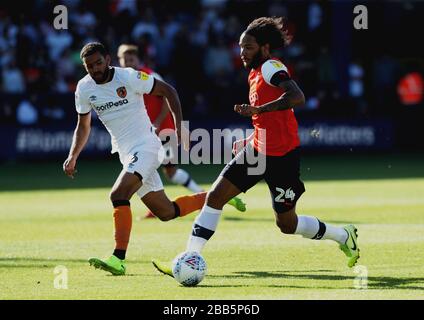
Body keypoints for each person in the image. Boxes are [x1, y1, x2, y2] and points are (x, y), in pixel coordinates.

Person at [153, 17, 360, 276]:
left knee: (287, 224)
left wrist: (259, 109)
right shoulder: (254, 73)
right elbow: (267, 121)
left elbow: (297, 96)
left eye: (248, 47)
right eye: (240, 47)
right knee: (216, 197)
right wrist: (252, 138)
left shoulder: (272, 67)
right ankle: (189, 257)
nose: (241, 53)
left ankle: (343, 235)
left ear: (264, 48)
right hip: (257, 152)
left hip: (283, 158)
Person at [63, 42, 245, 276]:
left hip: (147, 146)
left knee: (118, 195)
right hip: (126, 153)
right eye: (89, 66)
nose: (95, 69)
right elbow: (83, 125)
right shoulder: (84, 88)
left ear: (108, 60)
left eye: (98, 63)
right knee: (166, 212)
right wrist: (73, 154)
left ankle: (118, 259)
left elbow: (169, 91)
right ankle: (218, 196)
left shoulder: (129, 77)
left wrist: (179, 126)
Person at [116, 44, 245, 218]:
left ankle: (204, 197)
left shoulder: (150, 76)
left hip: (163, 131)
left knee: (168, 171)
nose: (128, 62)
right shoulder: (122, 81)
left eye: (132, 59)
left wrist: (158, 123)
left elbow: (166, 99)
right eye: (125, 59)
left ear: (138, 60)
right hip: (145, 134)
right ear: (120, 61)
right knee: (158, 170)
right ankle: (196, 199)